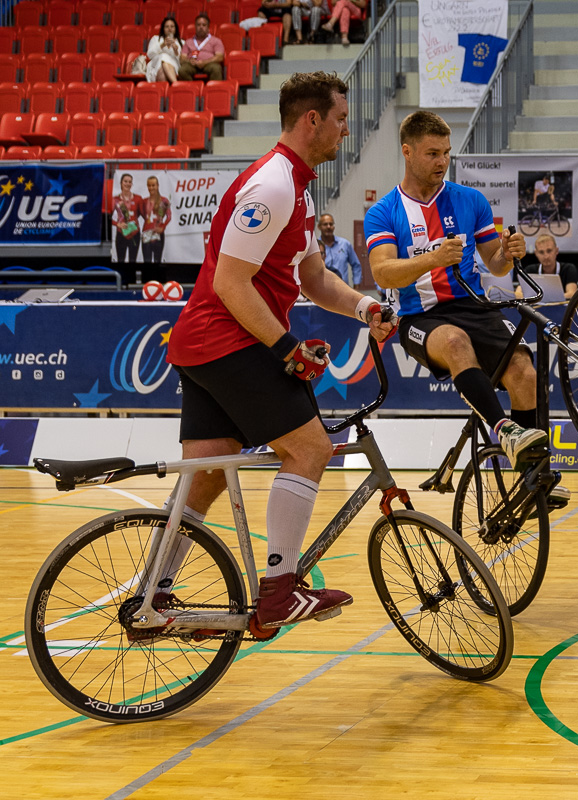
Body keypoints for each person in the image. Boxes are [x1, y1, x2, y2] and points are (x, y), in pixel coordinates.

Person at [166, 72, 396, 629]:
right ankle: (279, 590)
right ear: (311, 119)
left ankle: (155, 593)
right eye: (340, 119)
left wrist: (366, 308)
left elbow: (314, 279)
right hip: (229, 340)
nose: (345, 131)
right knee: (310, 448)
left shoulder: (299, 187)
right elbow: (230, 283)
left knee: (208, 473)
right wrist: (287, 346)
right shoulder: (272, 186)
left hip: (206, 345)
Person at [364, 111, 568, 506]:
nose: (442, 162)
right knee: (456, 342)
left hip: (476, 308)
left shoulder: (469, 200)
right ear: (407, 152)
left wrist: (510, 253)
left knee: (525, 371)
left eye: (446, 153)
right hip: (421, 318)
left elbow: (494, 262)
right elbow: (383, 272)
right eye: (431, 153)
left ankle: (532, 479)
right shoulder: (384, 211)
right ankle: (503, 431)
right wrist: (433, 259)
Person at [527, 233, 578, 300]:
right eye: (541, 252)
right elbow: (518, 294)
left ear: (556, 251)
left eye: (549, 251)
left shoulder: (568, 269)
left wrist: (541, 298)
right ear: (536, 253)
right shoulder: (529, 270)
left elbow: (572, 294)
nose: (546, 256)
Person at [317, 213, 362, 286]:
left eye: (331, 224)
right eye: (325, 224)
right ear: (319, 227)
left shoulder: (345, 244)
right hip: (323, 289)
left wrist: (356, 284)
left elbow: (356, 264)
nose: (328, 227)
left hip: (344, 289)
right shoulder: (316, 247)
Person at [178, 14, 224, 81]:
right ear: (195, 27)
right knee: (182, 70)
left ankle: (213, 90)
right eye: (198, 25)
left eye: (204, 25)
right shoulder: (188, 42)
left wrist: (205, 62)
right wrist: (190, 61)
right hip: (192, 64)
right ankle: (192, 89)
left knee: (216, 69)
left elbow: (219, 57)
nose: (201, 27)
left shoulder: (216, 41)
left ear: (208, 27)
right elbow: (182, 58)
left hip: (209, 64)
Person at [140, 175, 171, 264]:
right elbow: (142, 215)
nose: (151, 188)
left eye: (153, 185)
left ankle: (157, 278)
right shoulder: (144, 201)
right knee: (147, 261)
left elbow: (169, 216)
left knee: (158, 261)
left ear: (157, 186)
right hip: (146, 233)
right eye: (149, 185)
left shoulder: (164, 201)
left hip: (158, 234)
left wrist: (162, 227)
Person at [112, 173, 142, 263]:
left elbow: (141, 213)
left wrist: (133, 222)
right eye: (125, 181)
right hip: (121, 234)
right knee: (120, 260)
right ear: (121, 183)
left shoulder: (138, 198)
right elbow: (106, 216)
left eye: (130, 182)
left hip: (134, 233)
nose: (127, 184)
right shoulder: (115, 199)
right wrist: (118, 224)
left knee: (133, 261)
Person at [146, 17, 182, 84]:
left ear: (175, 29)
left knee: (162, 70)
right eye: (167, 27)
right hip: (156, 65)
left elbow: (182, 62)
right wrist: (162, 45)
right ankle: (176, 83)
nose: (169, 29)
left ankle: (167, 90)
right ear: (163, 29)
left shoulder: (181, 42)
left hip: (173, 67)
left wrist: (176, 51)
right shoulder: (155, 39)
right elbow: (149, 55)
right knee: (163, 56)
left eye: (172, 26)